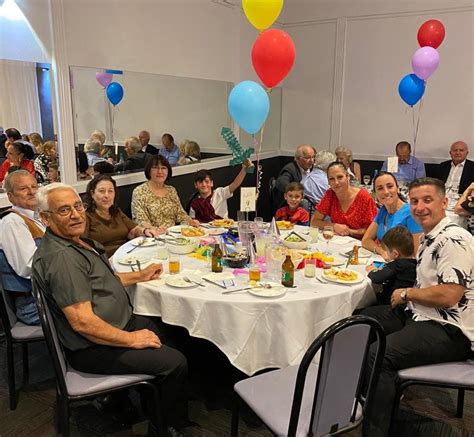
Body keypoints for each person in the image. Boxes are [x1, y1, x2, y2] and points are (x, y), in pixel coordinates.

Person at [32, 183, 190, 434]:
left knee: (175, 332)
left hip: (116, 323)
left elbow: (103, 281)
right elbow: (82, 322)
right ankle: (163, 426)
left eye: (77, 206)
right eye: (63, 210)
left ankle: (150, 403)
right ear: (45, 218)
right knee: (176, 362)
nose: (75, 214)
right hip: (93, 346)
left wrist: (141, 274)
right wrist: (131, 339)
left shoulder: (76, 241)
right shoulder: (62, 258)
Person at [361, 177, 473, 437]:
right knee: (363, 321)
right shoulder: (430, 236)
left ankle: (377, 428)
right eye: (414, 201)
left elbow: (450, 294)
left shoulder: (455, 239)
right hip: (421, 314)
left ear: (444, 202)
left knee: (380, 354)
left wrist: (407, 293)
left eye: (427, 200)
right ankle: (368, 397)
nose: (420, 207)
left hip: (449, 328)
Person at [0, 170, 45, 325]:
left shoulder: (38, 218)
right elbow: (29, 268)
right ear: (10, 196)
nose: (32, 192)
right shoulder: (12, 222)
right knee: (101, 305)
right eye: (23, 188)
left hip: (51, 294)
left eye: (34, 186)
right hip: (34, 304)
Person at [83, 175, 165, 257]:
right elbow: (82, 245)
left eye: (111, 191)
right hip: (105, 260)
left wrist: (145, 231)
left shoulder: (116, 212)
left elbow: (134, 230)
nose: (106, 195)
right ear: (92, 194)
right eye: (102, 191)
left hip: (128, 255)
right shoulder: (86, 216)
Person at [362, 171, 422, 259]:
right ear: (375, 194)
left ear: (397, 188)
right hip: (385, 263)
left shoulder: (411, 213)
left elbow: (417, 255)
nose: (386, 192)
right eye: (380, 188)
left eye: (390, 186)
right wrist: (381, 251)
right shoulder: (383, 211)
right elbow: (365, 240)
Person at [311, 162, 378, 238]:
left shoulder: (364, 197)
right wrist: (334, 226)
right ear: (328, 182)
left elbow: (373, 231)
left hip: (360, 245)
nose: (336, 182)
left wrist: (349, 231)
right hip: (337, 242)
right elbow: (314, 222)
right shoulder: (330, 194)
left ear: (348, 177)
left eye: (340, 177)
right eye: (332, 179)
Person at [132, 155, 200, 229]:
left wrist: (190, 221)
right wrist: (155, 229)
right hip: (152, 235)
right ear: (149, 171)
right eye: (156, 168)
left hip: (173, 234)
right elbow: (140, 221)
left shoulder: (171, 190)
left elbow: (180, 214)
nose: (160, 171)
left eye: (163, 168)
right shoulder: (139, 191)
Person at [366, 226, 417, 305]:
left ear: (395, 254)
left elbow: (377, 278)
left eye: (387, 251)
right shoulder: (415, 263)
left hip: (390, 303)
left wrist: (371, 270)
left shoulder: (396, 265)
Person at [272, 144, 316, 211]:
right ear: (297, 158)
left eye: (313, 157)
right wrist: (296, 192)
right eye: (307, 158)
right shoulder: (290, 169)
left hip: (312, 199)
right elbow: (281, 182)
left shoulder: (313, 168)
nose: (311, 160)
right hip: (297, 203)